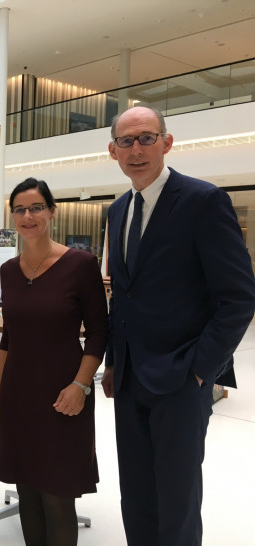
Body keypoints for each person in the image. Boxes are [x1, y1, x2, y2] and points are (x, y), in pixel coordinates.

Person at [102, 105, 255, 546]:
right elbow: (124, 298)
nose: (137, 149)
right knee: (135, 496)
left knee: (177, 498)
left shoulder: (203, 202)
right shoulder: (117, 211)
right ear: (113, 151)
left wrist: (199, 370)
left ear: (167, 143)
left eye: (147, 138)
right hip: (130, 380)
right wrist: (114, 362)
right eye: (126, 141)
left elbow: (239, 298)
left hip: (181, 379)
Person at [0, 177, 108, 546]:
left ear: (52, 212)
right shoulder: (8, 272)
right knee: (26, 490)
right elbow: (9, 335)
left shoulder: (80, 264)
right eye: (20, 209)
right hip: (18, 395)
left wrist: (80, 386)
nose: (28, 216)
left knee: (57, 496)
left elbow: (99, 333)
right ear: (13, 216)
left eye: (36, 207)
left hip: (63, 394)